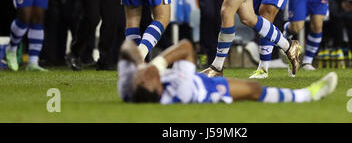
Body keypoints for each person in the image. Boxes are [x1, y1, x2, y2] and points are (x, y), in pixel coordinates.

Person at [117, 38, 338, 104]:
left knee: (253, 88)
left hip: (186, 81)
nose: (148, 74)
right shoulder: (180, 91)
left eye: (142, 77)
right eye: (150, 78)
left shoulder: (128, 86)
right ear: (158, 88)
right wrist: (156, 65)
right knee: (253, 90)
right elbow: (185, 47)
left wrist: (141, 65)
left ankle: (306, 94)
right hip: (202, 90)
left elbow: (127, 46)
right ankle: (307, 95)